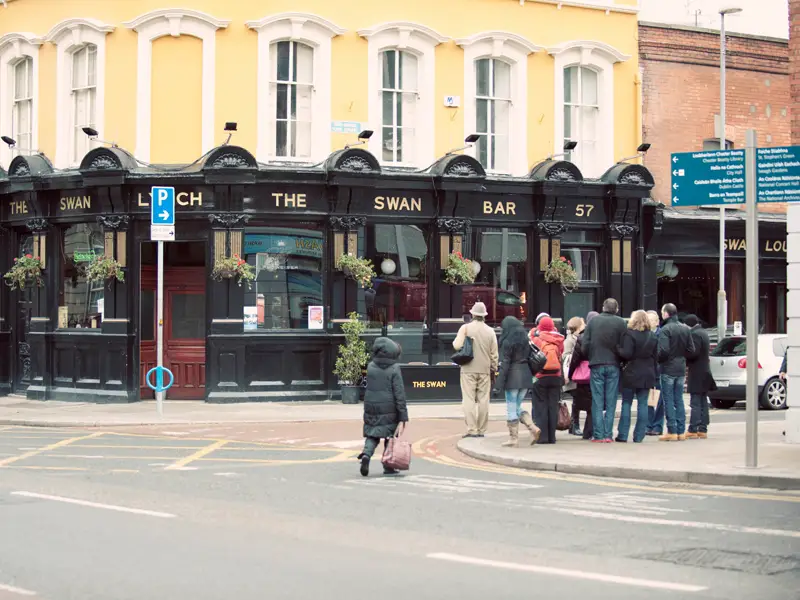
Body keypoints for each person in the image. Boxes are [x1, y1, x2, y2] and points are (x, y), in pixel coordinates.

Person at [358, 337, 408, 477]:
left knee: (372, 434)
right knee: (389, 437)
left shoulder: (370, 366)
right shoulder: (394, 368)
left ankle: (366, 455)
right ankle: (388, 466)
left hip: (371, 405)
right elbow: (399, 393)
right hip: (389, 407)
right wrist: (403, 415)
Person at [582, 298, 627, 443]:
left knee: (597, 400)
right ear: (616, 309)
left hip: (596, 363)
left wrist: (590, 356)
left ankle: (598, 434)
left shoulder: (593, 321)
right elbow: (624, 345)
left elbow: (585, 345)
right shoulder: (621, 322)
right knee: (612, 399)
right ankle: (608, 435)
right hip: (614, 364)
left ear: (603, 307)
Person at [493, 316, 541, 447]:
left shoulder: (507, 342)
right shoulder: (526, 339)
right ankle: (533, 428)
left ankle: (514, 438)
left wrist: (498, 385)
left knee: (511, 407)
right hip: (526, 376)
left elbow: (505, 364)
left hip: (513, 378)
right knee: (517, 406)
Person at [454, 302, 499, 438]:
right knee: (483, 399)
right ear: (484, 315)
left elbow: (457, 346)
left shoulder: (465, 328)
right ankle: (481, 429)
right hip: (485, 369)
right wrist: (494, 368)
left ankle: (472, 429)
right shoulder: (490, 331)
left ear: (473, 314)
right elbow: (494, 354)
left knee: (468, 399)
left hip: (468, 368)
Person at [616, 310, 658, 443]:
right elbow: (656, 356)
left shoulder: (629, 334)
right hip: (647, 373)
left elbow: (627, 354)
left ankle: (623, 435)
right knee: (643, 404)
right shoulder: (652, 336)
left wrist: (617, 349)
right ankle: (639, 435)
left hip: (631, 372)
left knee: (627, 403)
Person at [657, 303, 695, 441]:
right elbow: (691, 350)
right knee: (678, 399)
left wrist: (659, 359)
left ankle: (672, 430)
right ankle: (681, 431)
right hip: (680, 368)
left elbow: (663, 351)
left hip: (668, 368)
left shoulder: (665, 329)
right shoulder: (685, 329)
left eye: (662, 312)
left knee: (668, 400)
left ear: (666, 314)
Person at [532, 316, 565, 444]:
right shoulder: (559, 339)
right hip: (556, 376)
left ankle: (543, 437)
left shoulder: (536, 339)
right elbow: (560, 354)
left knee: (541, 406)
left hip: (540, 376)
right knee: (553, 406)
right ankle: (552, 437)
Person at [567, 312, 597, 440]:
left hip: (582, 375)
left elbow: (575, 359)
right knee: (593, 403)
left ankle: (577, 426)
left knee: (578, 402)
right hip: (596, 373)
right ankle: (588, 430)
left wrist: (570, 373)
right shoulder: (601, 336)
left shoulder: (581, 338)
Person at [684, 315, 713, 439]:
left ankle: (693, 429)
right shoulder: (703, 332)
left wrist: (684, 353)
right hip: (705, 371)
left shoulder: (695, 334)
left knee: (695, 401)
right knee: (703, 401)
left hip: (697, 371)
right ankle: (703, 428)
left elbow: (693, 353)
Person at [563, 316, 586, 436]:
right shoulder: (570, 340)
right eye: (582, 324)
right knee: (576, 400)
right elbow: (565, 357)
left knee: (578, 400)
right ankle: (573, 424)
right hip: (573, 374)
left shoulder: (577, 338)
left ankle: (574, 424)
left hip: (578, 374)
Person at [645, 310, 664, 436]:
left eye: (652, 320)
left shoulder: (661, 334)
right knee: (648, 400)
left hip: (658, 371)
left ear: (657, 322)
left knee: (659, 400)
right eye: (648, 320)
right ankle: (648, 425)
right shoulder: (644, 334)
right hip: (647, 371)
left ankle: (657, 426)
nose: (649, 322)